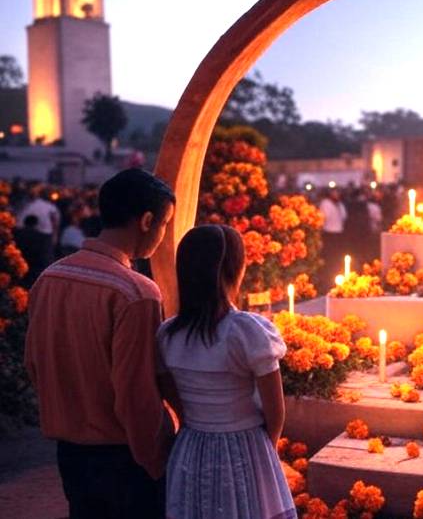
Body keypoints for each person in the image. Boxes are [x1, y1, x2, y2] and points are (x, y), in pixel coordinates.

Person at [25, 168, 176, 519]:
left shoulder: (50, 278)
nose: (163, 234)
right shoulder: (135, 292)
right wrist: (157, 460)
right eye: (165, 224)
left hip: (70, 454)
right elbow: (136, 393)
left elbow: (34, 363)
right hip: (123, 458)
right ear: (147, 220)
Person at [157, 224, 296, 519]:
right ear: (234, 271)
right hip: (246, 444)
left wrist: (199, 424)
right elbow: (276, 412)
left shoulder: (168, 335)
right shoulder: (247, 331)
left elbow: (175, 401)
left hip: (192, 446)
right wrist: (261, 452)